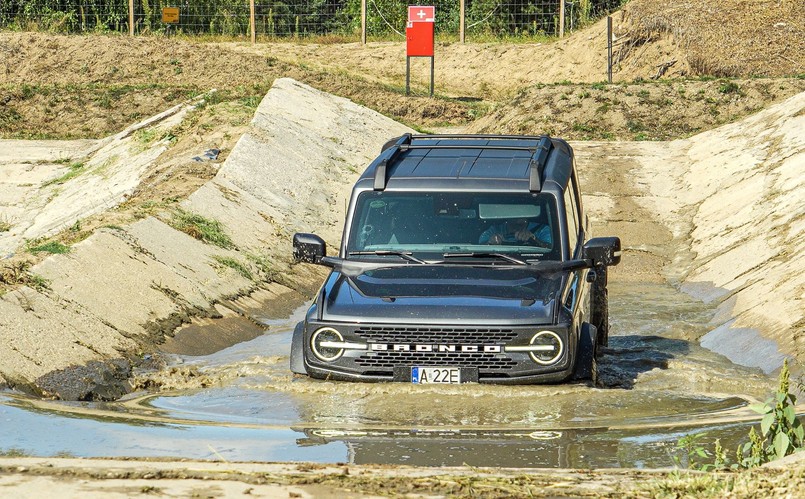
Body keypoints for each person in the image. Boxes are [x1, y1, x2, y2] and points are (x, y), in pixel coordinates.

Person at [479, 218, 551, 247]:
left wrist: (533, 239)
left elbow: (552, 249)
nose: (517, 220)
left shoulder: (542, 229)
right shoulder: (494, 230)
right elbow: (479, 247)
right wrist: (490, 243)